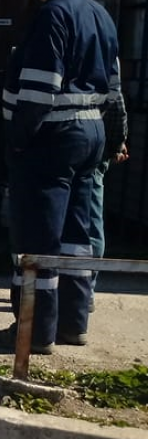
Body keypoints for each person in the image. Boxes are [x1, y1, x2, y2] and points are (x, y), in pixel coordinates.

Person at [0, 0, 118, 355]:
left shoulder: (52, 16)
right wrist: (116, 139)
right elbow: (114, 90)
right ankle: (73, 324)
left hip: (52, 140)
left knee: (37, 238)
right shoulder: (100, 15)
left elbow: (38, 92)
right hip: (91, 137)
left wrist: (17, 142)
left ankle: (34, 333)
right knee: (78, 234)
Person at [88, 61, 130, 312]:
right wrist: (117, 142)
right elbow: (115, 100)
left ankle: (47, 288)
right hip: (96, 139)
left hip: (61, 140)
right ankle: (84, 290)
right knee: (91, 218)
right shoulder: (105, 42)